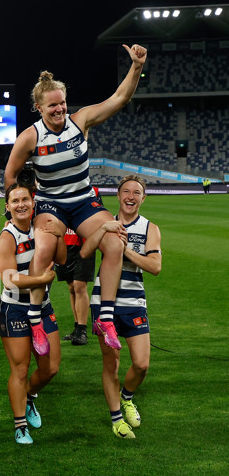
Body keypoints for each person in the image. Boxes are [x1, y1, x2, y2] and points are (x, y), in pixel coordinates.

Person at [4, 44, 148, 357]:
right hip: (52, 204)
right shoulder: (30, 137)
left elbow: (119, 98)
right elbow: (10, 174)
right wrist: (12, 212)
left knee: (114, 243)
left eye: (63, 103)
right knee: (42, 250)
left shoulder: (80, 121)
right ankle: (35, 320)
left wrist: (136, 66)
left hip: (83, 201)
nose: (59, 110)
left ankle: (105, 319)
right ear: (39, 108)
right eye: (52, 106)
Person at [81, 174, 162, 440]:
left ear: (143, 198)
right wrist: (106, 233)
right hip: (104, 302)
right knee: (111, 363)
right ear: (118, 196)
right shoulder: (106, 223)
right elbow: (85, 251)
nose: (130, 196)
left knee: (141, 364)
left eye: (136, 192)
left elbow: (155, 267)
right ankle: (117, 418)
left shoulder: (150, 228)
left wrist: (124, 250)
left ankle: (126, 397)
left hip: (134, 303)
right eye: (126, 191)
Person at [0, 183, 66, 445]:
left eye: (25, 199)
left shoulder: (41, 226)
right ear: (8, 207)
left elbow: (61, 259)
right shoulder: (7, 237)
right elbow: (8, 278)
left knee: (51, 368)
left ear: (32, 201)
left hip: (43, 305)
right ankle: (20, 425)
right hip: (14, 308)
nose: (21, 204)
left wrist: (59, 234)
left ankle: (28, 398)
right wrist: (39, 278)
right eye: (15, 201)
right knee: (20, 369)